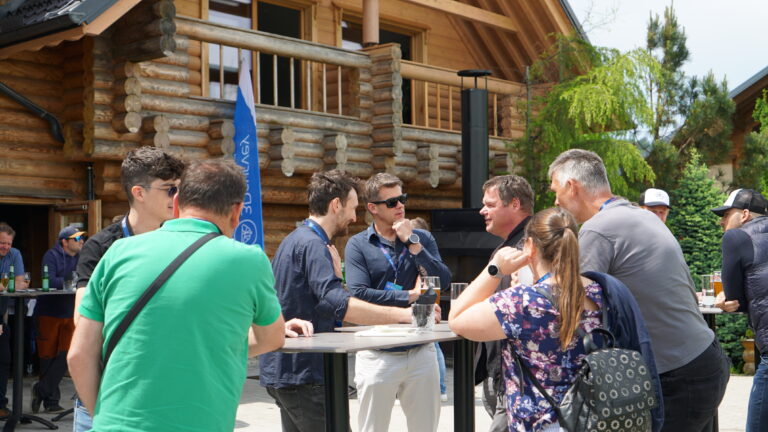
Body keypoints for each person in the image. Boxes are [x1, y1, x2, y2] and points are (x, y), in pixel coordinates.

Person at [68, 159, 288, 431]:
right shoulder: (249, 260)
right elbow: (273, 337)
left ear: (176, 202)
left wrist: (102, 417)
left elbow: (78, 356)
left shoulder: (118, 252)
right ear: (237, 211)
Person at [548, 148, 729, 431]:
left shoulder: (597, 229)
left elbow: (572, 306)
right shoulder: (640, 215)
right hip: (703, 359)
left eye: (556, 190)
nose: (555, 200)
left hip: (675, 377)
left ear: (572, 187)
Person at [260, 170, 416, 432]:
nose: (355, 217)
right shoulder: (313, 245)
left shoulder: (296, 239)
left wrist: (336, 281)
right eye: (352, 208)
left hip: (289, 371)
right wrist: (403, 315)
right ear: (335, 205)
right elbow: (339, 303)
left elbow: (320, 301)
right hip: (305, 374)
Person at [72, 146, 185, 431]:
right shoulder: (100, 247)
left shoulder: (184, 243)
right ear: (139, 192)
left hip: (168, 395)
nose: (178, 197)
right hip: (107, 393)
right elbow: (81, 320)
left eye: (181, 189)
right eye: (170, 189)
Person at [345, 173, 451, 432]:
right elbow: (359, 293)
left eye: (402, 198)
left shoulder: (421, 239)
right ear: (372, 208)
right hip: (377, 352)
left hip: (420, 350)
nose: (400, 206)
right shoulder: (358, 245)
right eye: (392, 202)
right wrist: (410, 296)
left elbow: (444, 279)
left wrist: (412, 244)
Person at [474, 175, 533, 432]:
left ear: (515, 204)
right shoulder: (507, 247)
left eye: (490, 204)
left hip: (520, 378)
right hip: (505, 376)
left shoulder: (530, 248)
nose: (482, 210)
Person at [711, 188, 768, 432]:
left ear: (744, 214)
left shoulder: (736, 237)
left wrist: (725, 297)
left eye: (726, 214)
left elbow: (735, 300)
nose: (722, 221)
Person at [31, 226, 84, 414]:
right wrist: (70, 280)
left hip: (70, 312)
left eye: (81, 239)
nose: (81, 242)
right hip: (49, 312)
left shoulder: (81, 257)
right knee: (47, 357)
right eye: (76, 239)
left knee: (66, 357)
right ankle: (51, 402)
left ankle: (41, 390)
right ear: (64, 241)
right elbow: (48, 280)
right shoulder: (50, 255)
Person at [411, 217, 448, 403]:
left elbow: (440, 278)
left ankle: (441, 387)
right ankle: (440, 388)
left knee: (433, 344)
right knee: (433, 345)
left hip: (425, 302)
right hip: (422, 302)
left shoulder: (423, 256)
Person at [0, 222, 26, 418]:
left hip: (2, 315)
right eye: (2, 243)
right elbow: (14, 283)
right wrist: (8, 284)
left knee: (5, 359)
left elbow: (20, 282)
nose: (5, 247)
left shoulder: (14, 254)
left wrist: (4, 284)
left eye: (8, 243)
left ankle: (1, 405)